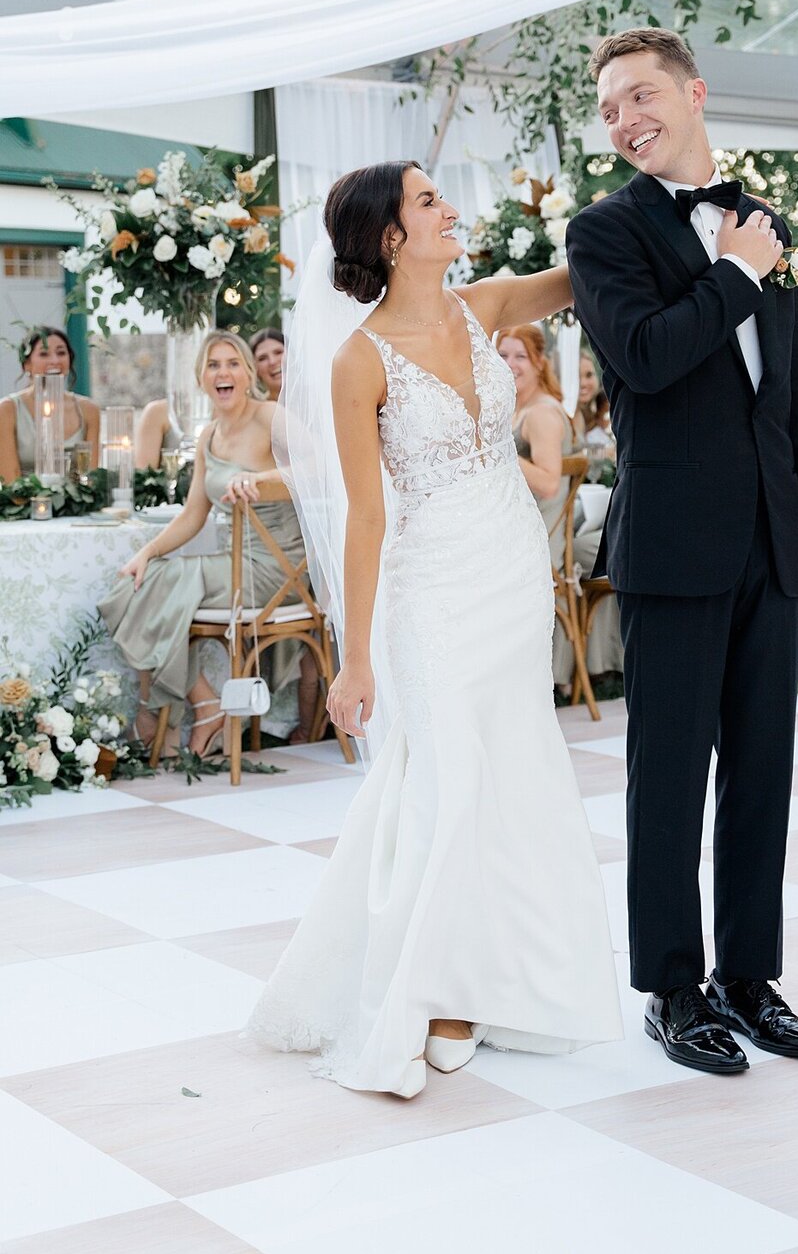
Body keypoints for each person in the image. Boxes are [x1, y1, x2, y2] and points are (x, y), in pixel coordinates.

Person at [248, 162, 621, 1099]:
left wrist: (655, 194)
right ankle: (424, 993)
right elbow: (365, 519)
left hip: (510, 578)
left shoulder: (484, 307)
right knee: (446, 781)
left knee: (508, 778)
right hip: (431, 594)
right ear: (387, 236)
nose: (449, 208)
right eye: (427, 201)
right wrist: (357, 657)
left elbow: (584, 268)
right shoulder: (356, 361)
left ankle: (486, 983)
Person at [567, 26, 798, 1077]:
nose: (626, 120)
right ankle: (673, 991)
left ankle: (749, 978)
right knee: (669, 777)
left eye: (641, 96)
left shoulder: (762, 224)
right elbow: (644, 360)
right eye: (608, 111)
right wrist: (733, 271)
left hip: (773, 541)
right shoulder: (605, 234)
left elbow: (789, 397)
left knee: (763, 774)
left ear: (694, 93)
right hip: (672, 544)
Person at [100, 331, 317, 758]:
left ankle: (159, 714)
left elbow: (321, 464)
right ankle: (203, 701)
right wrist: (146, 552)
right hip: (234, 564)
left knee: (157, 589)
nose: (224, 372)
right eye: (214, 365)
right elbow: (192, 514)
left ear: (248, 373)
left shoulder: (269, 415)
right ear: (202, 378)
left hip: (278, 568)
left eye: (233, 363)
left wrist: (260, 479)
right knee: (134, 584)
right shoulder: (208, 436)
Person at [499, 324, 622, 689]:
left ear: (539, 363)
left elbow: (550, 483)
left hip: (539, 542)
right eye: (503, 354)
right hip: (516, 531)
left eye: (520, 355)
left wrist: (496, 452)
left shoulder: (542, 414)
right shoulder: (515, 410)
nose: (510, 363)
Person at [0, 327, 99, 481]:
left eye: (61, 353)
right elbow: (10, 481)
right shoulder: (8, 409)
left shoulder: (88, 410)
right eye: (44, 354)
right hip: (25, 501)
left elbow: (92, 476)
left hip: (76, 502)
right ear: (27, 364)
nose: (54, 360)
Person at [575, 346, 611, 440]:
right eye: (576, 376)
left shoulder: (603, 412)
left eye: (589, 375)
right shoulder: (565, 417)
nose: (583, 383)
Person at [250, 327, 286, 401]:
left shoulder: (314, 398)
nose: (272, 361)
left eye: (278, 352)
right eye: (262, 358)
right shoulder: (255, 410)